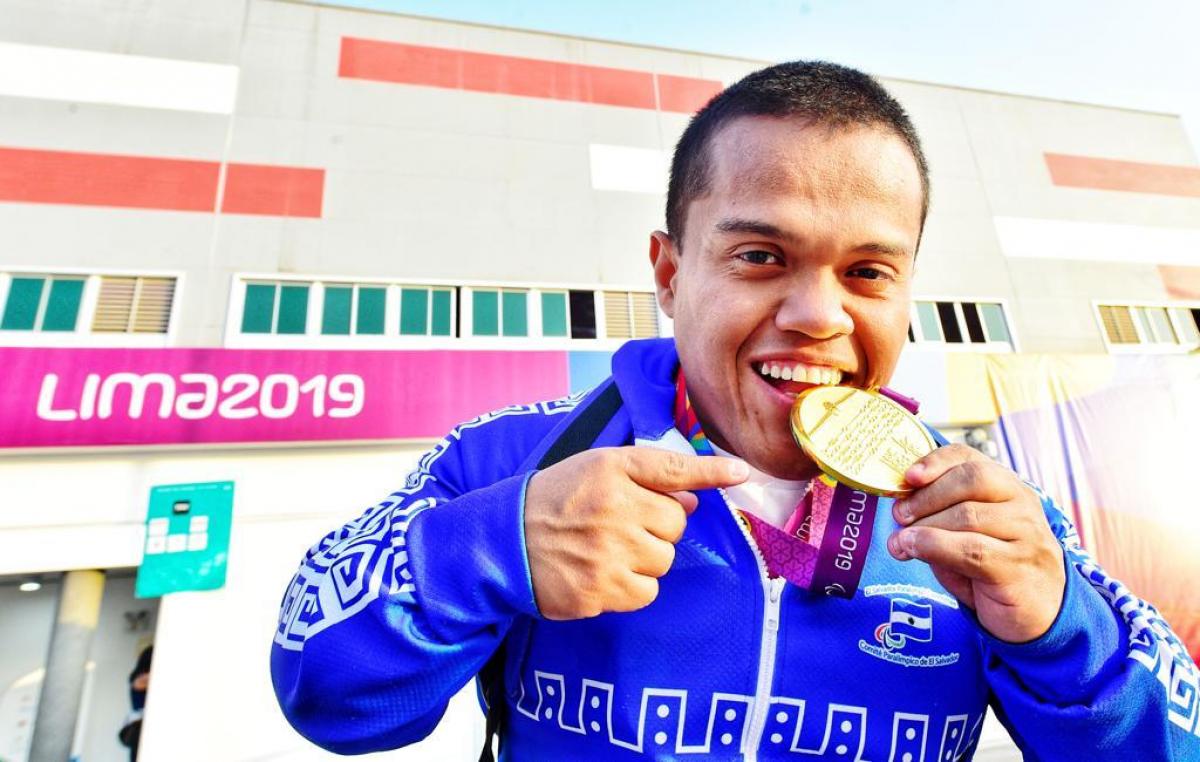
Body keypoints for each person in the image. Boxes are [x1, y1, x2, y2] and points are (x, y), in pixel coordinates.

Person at [270, 61, 1200, 760]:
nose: (818, 316)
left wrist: (1061, 628)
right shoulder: (522, 460)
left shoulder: (989, 520)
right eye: (760, 256)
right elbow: (320, 687)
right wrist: (490, 550)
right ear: (672, 276)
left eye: (867, 273)